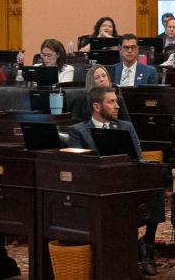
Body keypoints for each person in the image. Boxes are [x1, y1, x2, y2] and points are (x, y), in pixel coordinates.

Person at [66, 86, 159, 276]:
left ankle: (147, 247)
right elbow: (79, 167)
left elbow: (139, 158)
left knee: (155, 193)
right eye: (111, 102)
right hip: (95, 188)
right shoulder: (78, 132)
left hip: (126, 185)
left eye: (116, 101)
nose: (117, 106)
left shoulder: (126, 127)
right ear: (96, 106)